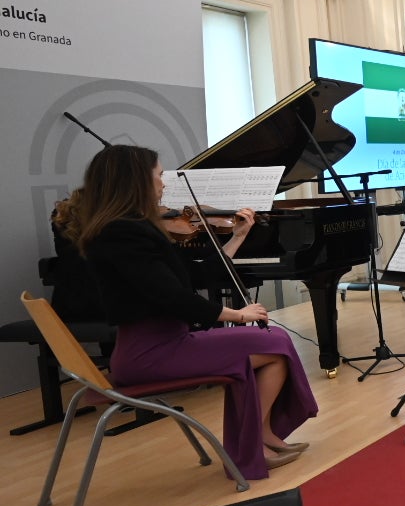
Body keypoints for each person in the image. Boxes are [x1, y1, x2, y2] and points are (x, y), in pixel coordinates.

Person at [70, 144, 318, 480]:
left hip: (162, 343)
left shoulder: (127, 229)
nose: (164, 184)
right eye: (158, 176)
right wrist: (236, 315)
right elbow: (172, 296)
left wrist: (237, 238)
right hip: (151, 353)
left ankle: (261, 438)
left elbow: (190, 279)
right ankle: (257, 441)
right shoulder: (122, 234)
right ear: (136, 181)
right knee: (273, 344)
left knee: (272, 341)